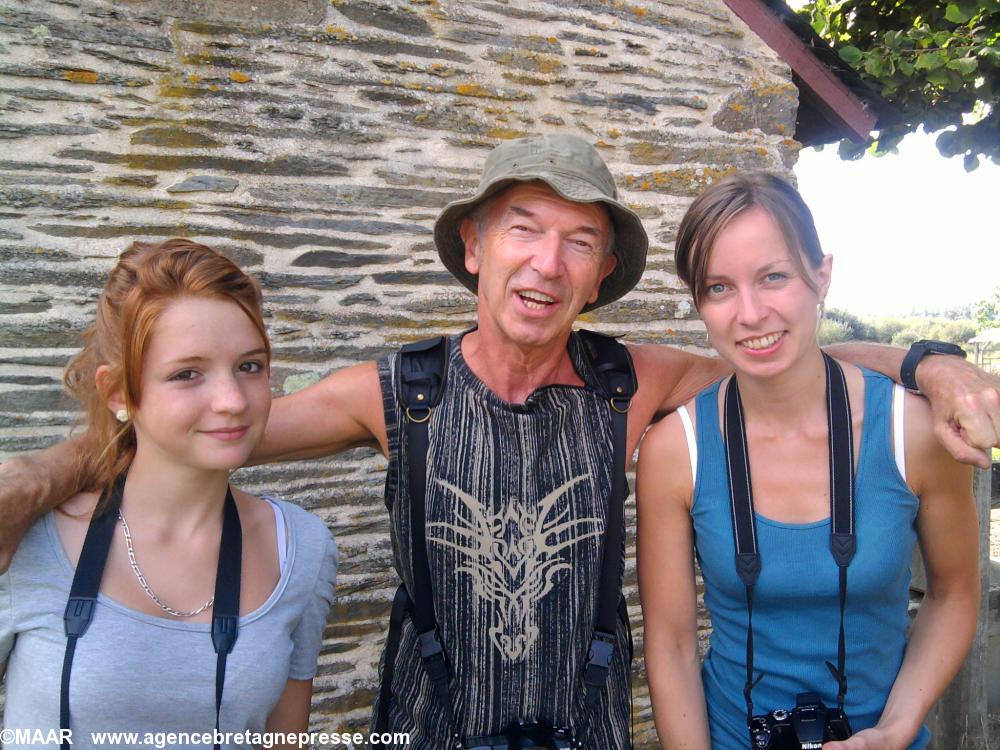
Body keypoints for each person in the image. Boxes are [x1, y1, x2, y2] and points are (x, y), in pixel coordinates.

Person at [0, 137, 997, 749]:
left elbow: (785, 355)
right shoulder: (396, 392)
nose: (546, 261)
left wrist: (929, 365)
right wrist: (40, 476)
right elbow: (208, 426)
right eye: (523, 227)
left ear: (601, 271)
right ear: (474, 247)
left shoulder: (633, 381)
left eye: (578, 240)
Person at [637, 172, 981, 750]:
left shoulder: (911, 431)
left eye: (774, 276)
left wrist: (896, 729)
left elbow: (954, 592)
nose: (750, 313)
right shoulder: (676, 450)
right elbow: (671, 643)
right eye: (719, 288)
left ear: (821, 275)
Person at [0, 240, 338, 749]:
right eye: (187, 374)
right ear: (118, 391)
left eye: (250, 366)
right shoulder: (26, 539)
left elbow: (284, 740)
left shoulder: (303, 549)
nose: (231, 401)